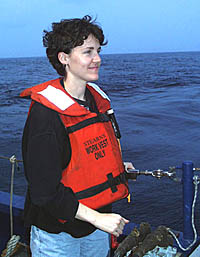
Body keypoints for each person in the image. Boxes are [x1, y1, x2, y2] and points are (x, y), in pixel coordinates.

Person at [20, 15, 134, 257]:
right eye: (88, 52)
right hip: (57, 237)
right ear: (64, 58)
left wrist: (117, 168)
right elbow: (44, 192)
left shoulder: (96, 100)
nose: (98, 59)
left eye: (98, 51)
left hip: (96, 227)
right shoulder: (47, 116)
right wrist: (99, 219)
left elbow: (83, 156)